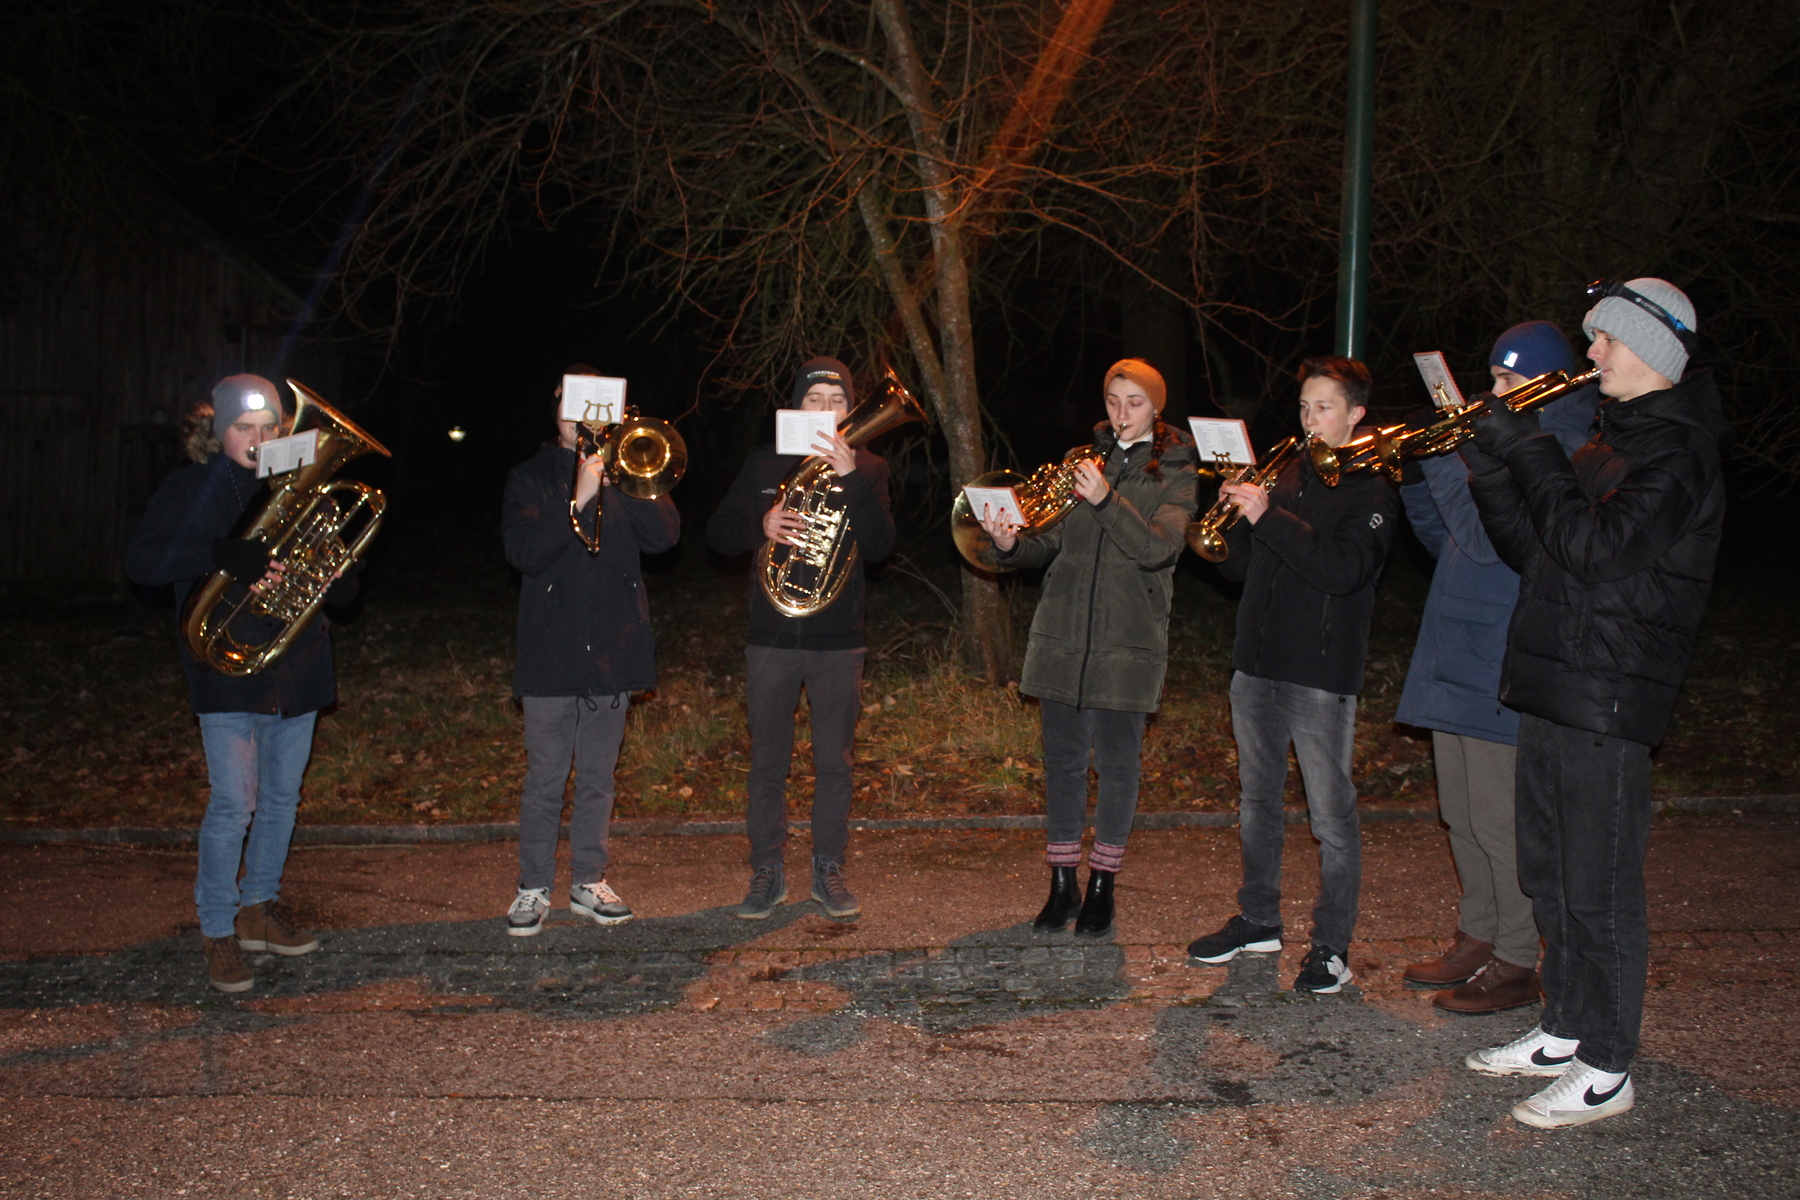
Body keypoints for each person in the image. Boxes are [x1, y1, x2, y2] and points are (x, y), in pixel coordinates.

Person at [1460, 279, 1728, 1129]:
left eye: (1604, 339)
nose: (1591, 353)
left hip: (1608, 694)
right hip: (1557, 681)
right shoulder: (1614, 443)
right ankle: (1567, 1028)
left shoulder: (1680, 455)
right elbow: (1538, 549)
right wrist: (1494, 469)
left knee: (1599, 886)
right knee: (1548, 871)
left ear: (1651, 348)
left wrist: (1532, 447)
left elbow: (1594, 547)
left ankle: (1609, 1066)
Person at [1396, 323, 1597, 1014]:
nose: (1492, 392)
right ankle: (1478, 933)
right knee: (1460, 814)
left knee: (1498, 820)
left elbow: (1486, 540)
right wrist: (1416, 475)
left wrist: (1445, 456)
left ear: (1543, 383)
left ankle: (1515, 957)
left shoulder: (1555, 447)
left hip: (1497, 657)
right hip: (1454, 646)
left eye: (1507, 380)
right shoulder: (1502, 438)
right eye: (1491, 377)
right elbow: (1445, 538)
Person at [125, 375, 346, 993]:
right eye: (243, 427)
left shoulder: (300, 489)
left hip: (297, 669)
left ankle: (257, 912)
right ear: (217, 431)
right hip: (224, 673)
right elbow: (142, 563)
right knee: (233, 805)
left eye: (270, 426)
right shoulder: (188, 489)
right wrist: (220, 554)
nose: (258, 437)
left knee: (281, 801)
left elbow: (340, 585)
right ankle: (217, 930)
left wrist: (337, 573)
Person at [1186, 356, 1399, 993]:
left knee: (1330, 816)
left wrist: (1268, 517)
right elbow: (1240, 571)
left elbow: (1343, 571)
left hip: (1318, 673)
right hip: (1257, 664)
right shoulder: (1285, 474)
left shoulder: (1372, 489)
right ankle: (1259, 919)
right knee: (1257, 803)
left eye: (1324, 407)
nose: (1309, 420)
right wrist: (1230, 518)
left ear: (1356, 414)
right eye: (1304, 407)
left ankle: (1332, 946)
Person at [981, 359, 1199, 938]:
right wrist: (1010, 543)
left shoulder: (1177, 470)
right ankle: (1062, 884)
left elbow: (1159, 549)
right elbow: (1049, 543)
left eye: (1134, 402)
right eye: (1112, 401)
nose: (1121, 413)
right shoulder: (1082, 461)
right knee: (1062, 765)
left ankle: (1102, 884)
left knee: (1119, 767)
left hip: (1128, 639)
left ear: (1156, 407)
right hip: (1062, 634)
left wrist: (1105, 501)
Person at [706, 357, 894, 920]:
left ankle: (827, 868)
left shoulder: (870, 467)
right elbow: (718, 534)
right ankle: (767, 870)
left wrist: (851, 478)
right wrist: (759, 525)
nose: (825, 410)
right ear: (796, 406)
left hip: (839, 638)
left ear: (849, 411)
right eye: (814, 400)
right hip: (772, 635)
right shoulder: (766, 461)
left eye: (837, 402)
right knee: (768, 761)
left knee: (835, 762)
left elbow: (881, 547)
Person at [499, 366, 681, 936]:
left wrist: (624, 479)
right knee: (546, 780)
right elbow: (523, 553)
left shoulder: (630, 470)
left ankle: (588, 880)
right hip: (550, 654)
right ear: (556, 406)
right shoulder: (529, 476)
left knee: (599, 779)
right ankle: (533, 887)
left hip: (613, 650)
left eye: (598, 405)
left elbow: (665, 538)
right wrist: (576, 501)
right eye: (573, 402)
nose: (583, 415)